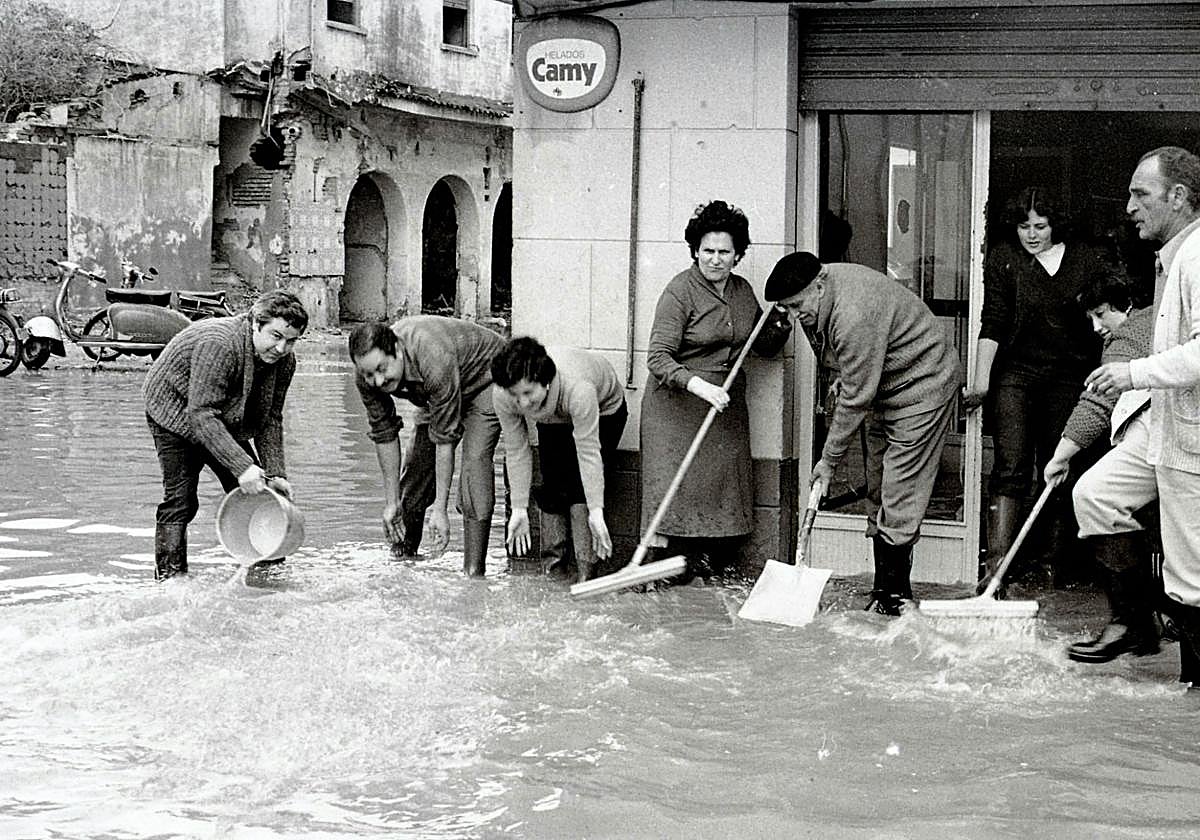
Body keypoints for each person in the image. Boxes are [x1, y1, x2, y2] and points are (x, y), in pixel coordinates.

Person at [764, 251, 960, 616]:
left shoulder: (853, 312)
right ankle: (882, 588)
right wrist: (847, 372)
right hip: (885, 383)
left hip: (925, 383)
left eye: (795, 306)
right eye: (785, 309)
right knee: (877, 482)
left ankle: (893, 598)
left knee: (900, 488)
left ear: (819, 285)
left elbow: (856, 398)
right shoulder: (822, 291)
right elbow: (853, 369)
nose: (793, 316)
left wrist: (828, 461)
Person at [1077, 146, 1200, 686]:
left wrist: (1134, 374)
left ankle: (1193, 692)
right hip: (1167, 422)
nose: (1128, 206)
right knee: (1097, 495)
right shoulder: (1172, 256)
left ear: (1178, 196)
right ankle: (1136, 624)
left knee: (1192, 574)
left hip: (1192, 433)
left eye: (1140, 194)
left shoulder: (1198, 258)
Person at [962, 187, 1119, 590]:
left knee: (1057, 466)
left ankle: (1052, 565)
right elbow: (993, 319)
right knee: (1011, 466)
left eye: (1040, 226)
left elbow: (1104, 321)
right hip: (1016, 374)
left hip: (1069, 376)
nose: (1031, 234)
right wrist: (981, 381)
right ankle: (996, 570)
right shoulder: (1004, 259)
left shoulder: (1084, 259)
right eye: (1023, 226)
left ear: (1055, 225)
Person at [642, 200, 792, 581]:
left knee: (721, 497)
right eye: (707, 251)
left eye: (725, 252)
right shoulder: (679, 291)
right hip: (677, 412)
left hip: (723, 411)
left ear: (738, 255)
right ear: (695, 251)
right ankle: (670, 580)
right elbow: (657, 358)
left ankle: (706, 576)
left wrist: (782, 321)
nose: (715, 259)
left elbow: (762, 346)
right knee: (679, 503)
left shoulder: (742, 292)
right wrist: (699, 386)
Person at [143, 289, 309, 580]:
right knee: (181, 500)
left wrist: (276, 472)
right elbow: (201, 414)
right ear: (256, 324)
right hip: (174, 408)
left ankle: (267, 572)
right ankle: (170, 578)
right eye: (276, 336)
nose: (282, 348)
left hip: (222, 413)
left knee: (260, 489)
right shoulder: (220, 343)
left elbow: (270, 417)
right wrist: (243, 465)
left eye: (291, 340)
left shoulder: (284, 362)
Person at [1042, 277, 1156, 661]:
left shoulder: (1128, 339)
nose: (1096, 326)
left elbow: (1096, 405)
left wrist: (1060, 457)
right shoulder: (1154, 322)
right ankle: (1146, 625)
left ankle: (1132, 623)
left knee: (1093, 495)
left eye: (1101, 313)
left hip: (1162, 431)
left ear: (1126, 304)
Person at [349, 316, 504, 577]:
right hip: (435, 396)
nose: (376, 381)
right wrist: (391, 502)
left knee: (474, 467)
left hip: (484, 380)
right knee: (417, 466)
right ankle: (403, 562)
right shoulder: (367, 375)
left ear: (397, 350)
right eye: (368, 374)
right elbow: (384, 434)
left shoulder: (431, 354)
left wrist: (440, 510)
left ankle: (474, 573)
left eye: (382, 369)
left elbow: (445, 439)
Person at [491, 337, 628, 583]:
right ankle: (553, 573)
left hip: (605, 409)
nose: (521, 402)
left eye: (527, 392)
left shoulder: (579, 389)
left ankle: (587, 575)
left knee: (579, 492)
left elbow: (588, 454)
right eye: (515, 394)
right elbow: (516, 449)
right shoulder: (503, 395)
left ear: (544, 381)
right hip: (551, 412)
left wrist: (596, 510)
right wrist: (519, 508)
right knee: (552, 485)